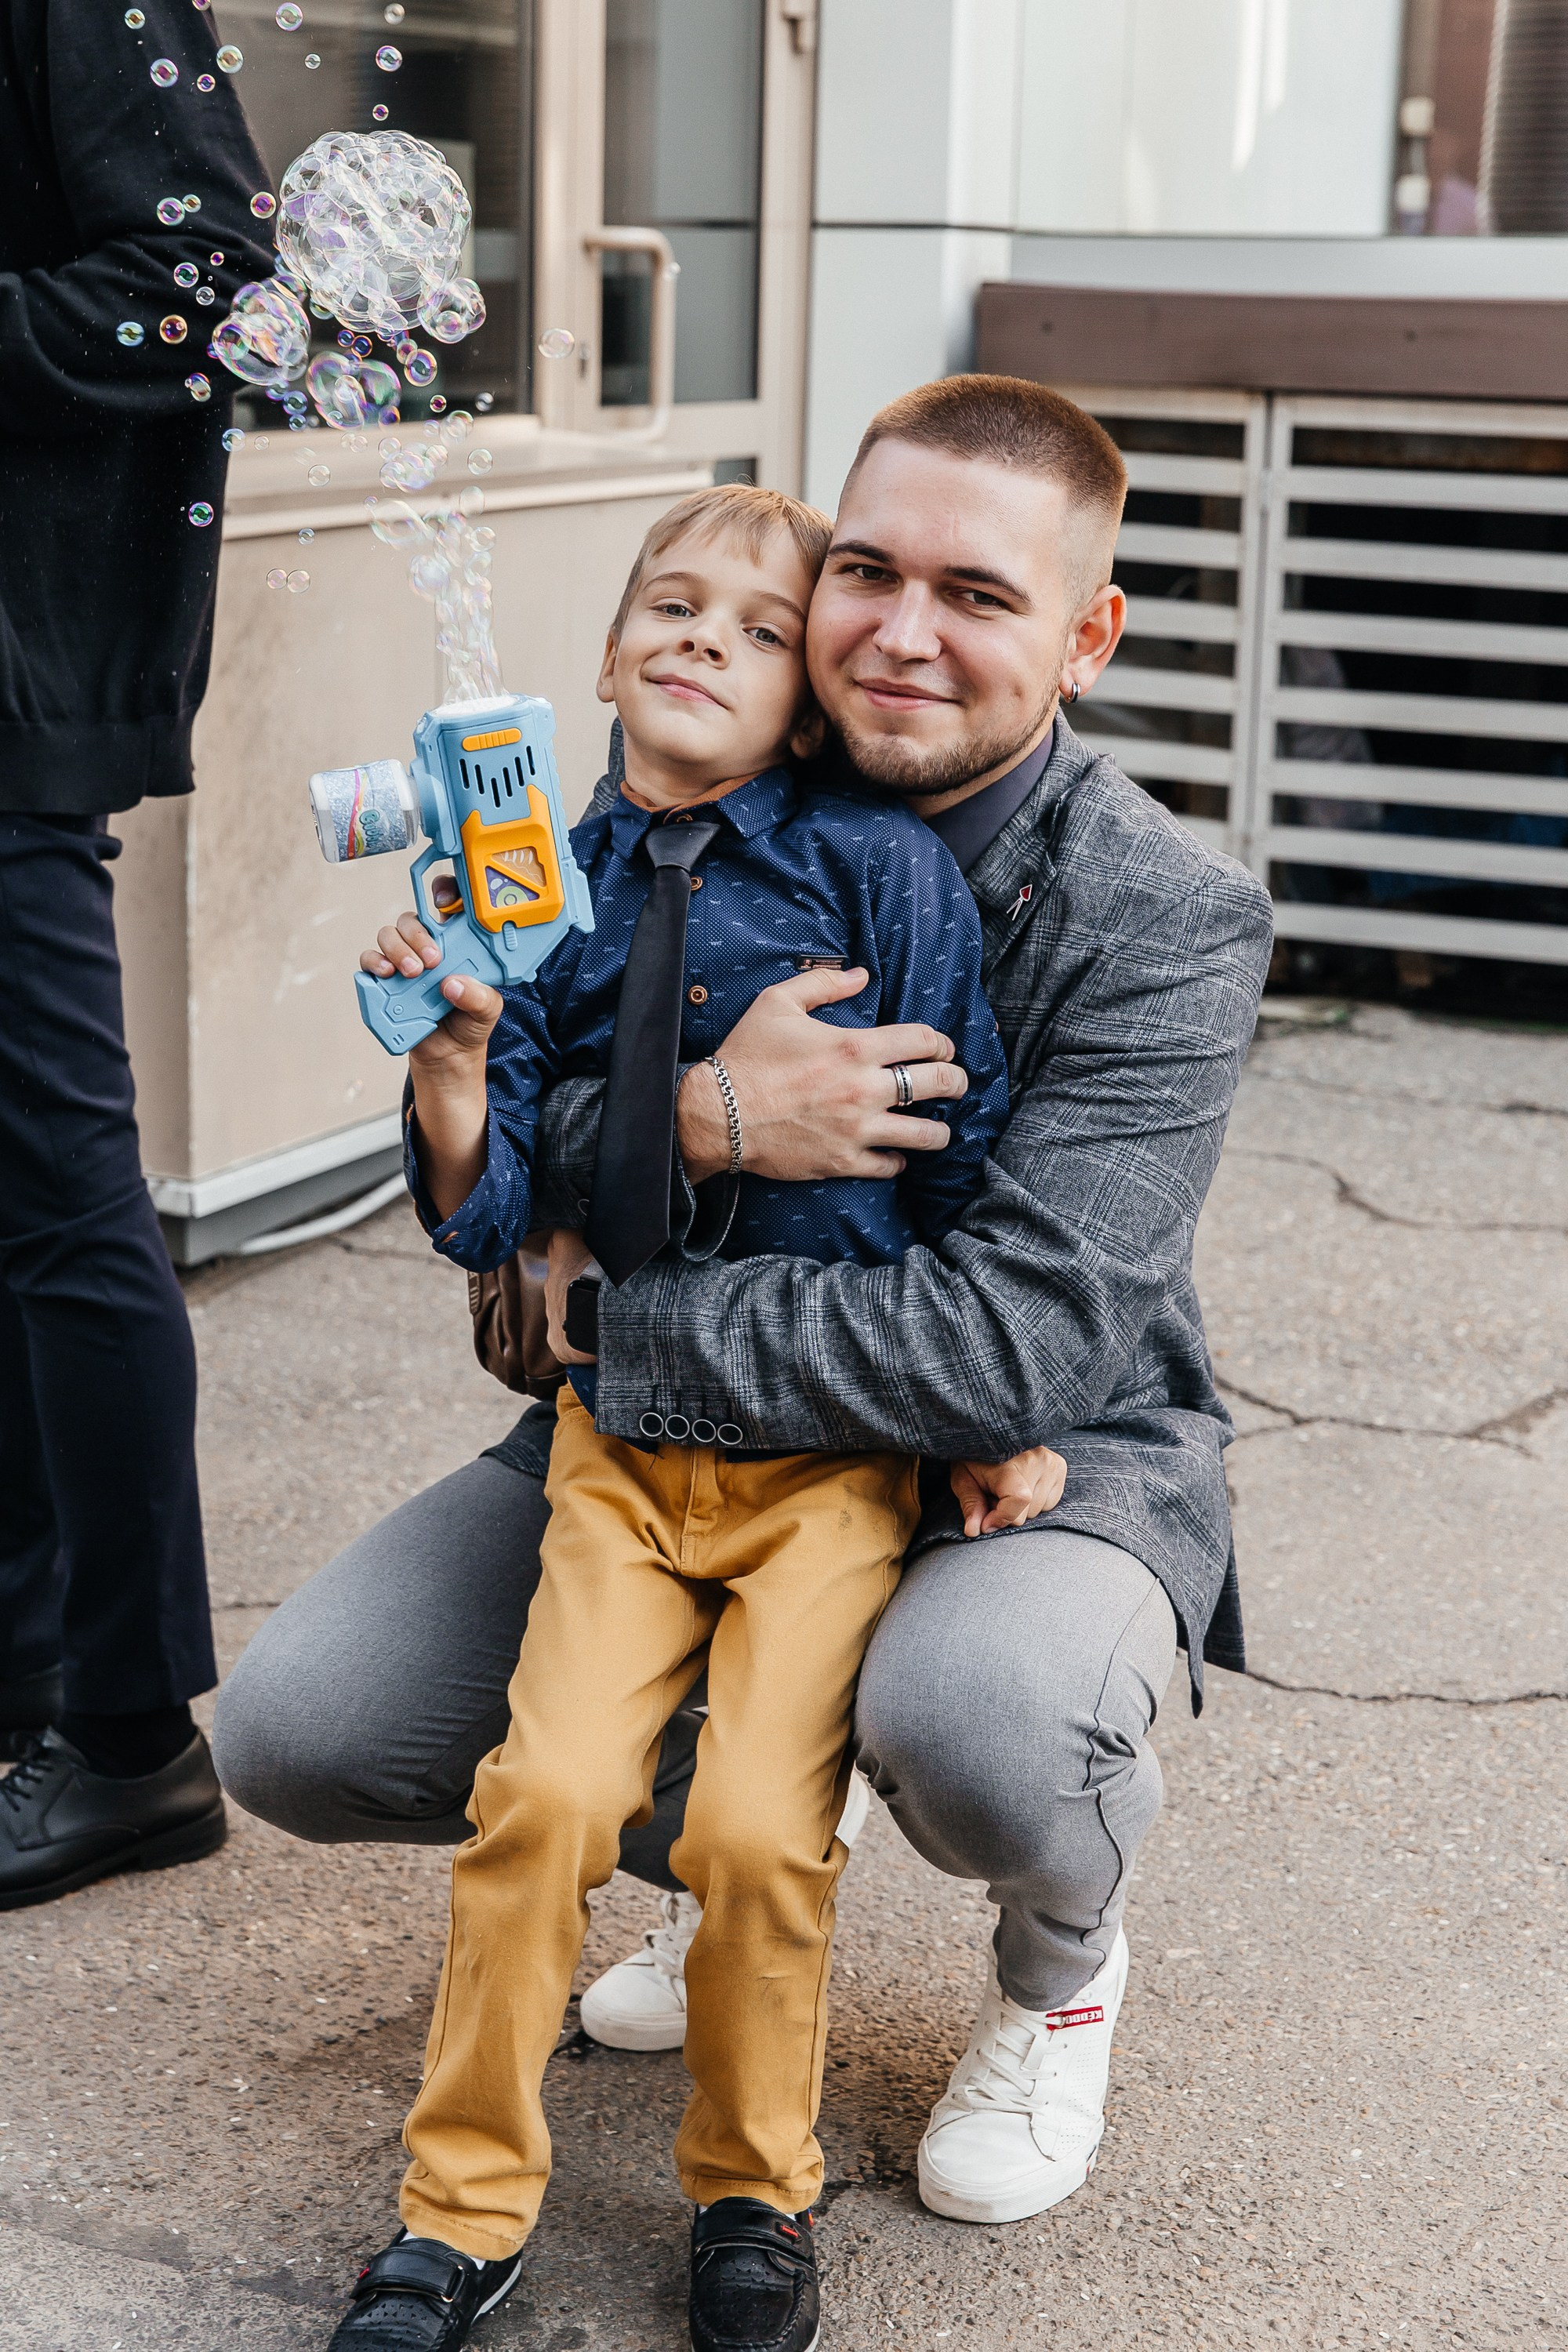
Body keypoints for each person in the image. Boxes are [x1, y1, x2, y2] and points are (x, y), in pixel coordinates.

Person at [215, 375, 1272, 2249]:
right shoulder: (660, 811)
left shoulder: (1160, 914)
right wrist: (697, 1114)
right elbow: (516, 1104)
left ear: (1088, 636)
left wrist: (601, 1320)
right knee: (306, 1727)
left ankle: (1060, 1960)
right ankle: (736, 1834)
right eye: (862, 571)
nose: (900, 632)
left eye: (979, 594)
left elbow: (1006, 1345)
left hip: (1021, 1453)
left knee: (986, 1715)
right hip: (669, 1446)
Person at [325, 481, 1067, 2352]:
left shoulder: (870, 871)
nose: (698, 640)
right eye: (669, 606)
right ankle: (458, 2210)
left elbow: (959, 1145)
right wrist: (458, 1069)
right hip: (620, 1457)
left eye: (752, 630)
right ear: (602, 652)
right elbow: (497, 1223)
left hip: (826, 1463)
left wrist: (990, 1405)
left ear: (798, 703)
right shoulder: (537, 881)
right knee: (545, 1800)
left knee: (750, 1829)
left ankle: (754, 2194)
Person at [0, 0, 274, 1904]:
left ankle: (126, 1741)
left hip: (13, 680)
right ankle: (36, 1686)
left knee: (61, 1203)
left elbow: (207, 278)